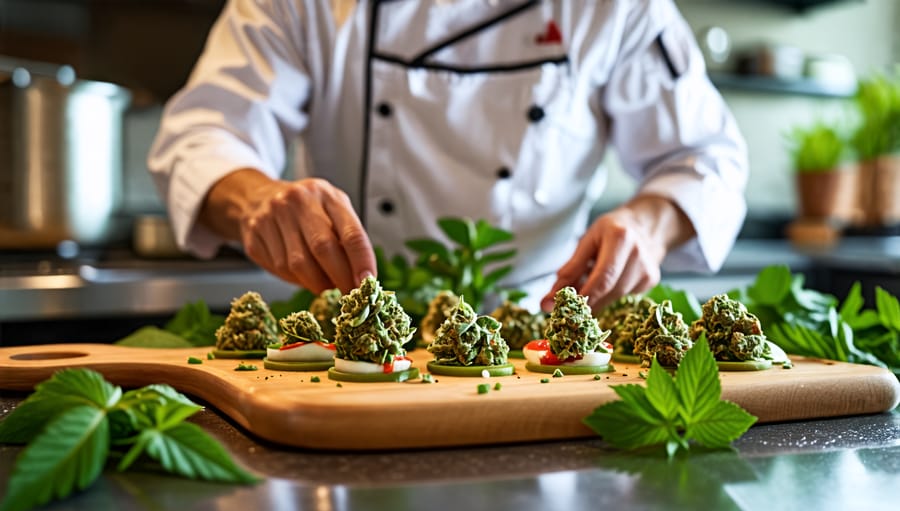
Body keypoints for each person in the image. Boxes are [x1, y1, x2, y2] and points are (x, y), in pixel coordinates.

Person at [148, 0, 748, 314]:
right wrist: (257, 199)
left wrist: (646, 224)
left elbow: (707, 156)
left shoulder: (615, 7)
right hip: (359, 330)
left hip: (545, 342)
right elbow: (202, 133)